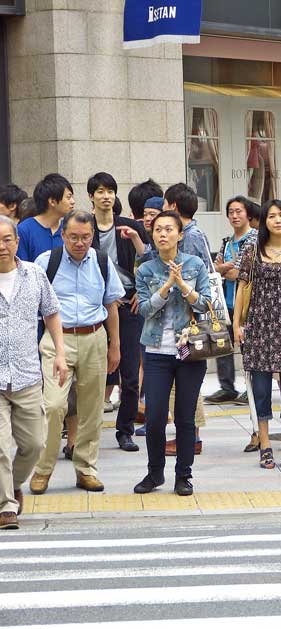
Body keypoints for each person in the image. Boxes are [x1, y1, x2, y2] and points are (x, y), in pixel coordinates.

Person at [29, 210, 124, 495]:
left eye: (85, 237)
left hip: (94, 337)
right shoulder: (46, 263)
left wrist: (115, 346)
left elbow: (111, 306)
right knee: (55, 405)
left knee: (92, 409)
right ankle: (42, 470)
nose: (79, 243)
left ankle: (86, 469)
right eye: (73, 237)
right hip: (58, 340)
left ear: (93, 236)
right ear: (62, 235)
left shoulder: (103, 262)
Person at [133, 211, 212, 496]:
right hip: (156, 350)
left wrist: (182, 285)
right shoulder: (145, 270)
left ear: (180, 234)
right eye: (157, 230)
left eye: (168, 229)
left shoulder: (195, 265)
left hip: (189, 349)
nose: (162, 234)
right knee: (154, 417)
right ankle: (155, 473)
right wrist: (167, 285)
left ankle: (184, 476)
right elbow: (143, 309)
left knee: (184, 418)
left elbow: (205, 305)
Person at [0, 216, 68, 530]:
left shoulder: (34, 274)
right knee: (0, 447)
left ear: (16, 241)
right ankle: (6, 507)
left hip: (27, 374)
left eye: (6, 239)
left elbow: (51, 313)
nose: (2, 246)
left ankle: (10, 485)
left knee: (35, 444)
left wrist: (60, 353)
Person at [234, 200, 281, 470]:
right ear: (264, 221)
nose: (278, 220)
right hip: (259, 326)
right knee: (261, 389)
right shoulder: (252, 252)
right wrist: (236, 325)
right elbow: (242, 289)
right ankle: (265, 444)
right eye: (272, 216)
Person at [87, 173, 149, 453]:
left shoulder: (128, 226)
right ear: (91, 196)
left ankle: (124, 431)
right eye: (100, 191)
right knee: (92, 375)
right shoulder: (83, 228)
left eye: (110, 190)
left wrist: (141, 290)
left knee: (130, 374)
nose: (106, 196)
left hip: (127, 307)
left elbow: (149, 261)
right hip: (94, 310)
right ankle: (85, 432)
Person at [164, 183, 211, 454]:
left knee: (187, 380)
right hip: (188, 317)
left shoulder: (189, 236)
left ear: (173, 207)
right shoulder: (195, 233)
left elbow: (199, 275)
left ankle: (191, 437)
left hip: (189, 320)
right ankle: (190, 436)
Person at [204, 196, 257, 405]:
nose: (234, 216)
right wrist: (222, 270)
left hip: (247, 302)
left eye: (239, 211)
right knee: (222, 345)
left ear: (248, 214)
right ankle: (227, 387)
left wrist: (235, 272)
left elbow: (250, 270)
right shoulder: (227, 241)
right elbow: (216, 268)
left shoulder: (256, 239)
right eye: (231, 212)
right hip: (225, 301)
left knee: (249, 348)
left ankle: (252, 388)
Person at [17, 173, 75, 262]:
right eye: (68, 197)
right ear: (52, 201)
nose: (73, 202)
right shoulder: (24, 230)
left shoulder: (69, 228)